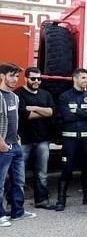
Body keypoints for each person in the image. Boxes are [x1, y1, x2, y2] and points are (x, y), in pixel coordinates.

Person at [55, 68, 87, 211]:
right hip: (70, 141)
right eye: (83, 78)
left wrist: (77, 111)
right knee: (67, 170)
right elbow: (66, 116)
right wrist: (85, 113)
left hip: (86, 140)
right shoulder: (64, 96)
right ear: (75, 79)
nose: (86, 80)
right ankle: (61, 200)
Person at [14, 67, 56, 210]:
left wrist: (34, 107)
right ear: (26, 79)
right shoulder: (18, 93)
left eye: (39, 78)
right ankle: (16, 205)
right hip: (24, 140)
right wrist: (42, 111)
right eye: (33, 78)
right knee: (19, 174)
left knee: (42, 173)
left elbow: (51, 112)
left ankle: (41, 201)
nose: (36, 81)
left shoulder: (46, 94)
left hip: (43, 140)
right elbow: (26, 115)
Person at [1, 63, 36, 227]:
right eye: (11, 75)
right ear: (2, 76)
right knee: (0, 184)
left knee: (18, 182)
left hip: (15, 145)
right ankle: (1, 215)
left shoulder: (14, 97)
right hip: (3, 146)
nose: (15, 79)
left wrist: (18, 138)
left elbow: (14, 121)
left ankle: (17, 211)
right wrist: (1, 143)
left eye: (16, 76)